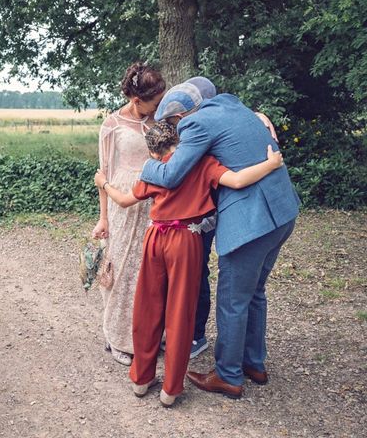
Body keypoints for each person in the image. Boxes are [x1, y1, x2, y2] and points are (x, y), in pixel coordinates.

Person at [94, 99, 284, 407]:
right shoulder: (204, 164)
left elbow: (125, 200)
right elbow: (237, 180)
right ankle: (171, 389)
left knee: (148, 306)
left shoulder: (151, 169)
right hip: (186, 239)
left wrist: (103, 182)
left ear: (152, 150)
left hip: (155, 237)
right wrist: (270, 164)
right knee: (180, 311)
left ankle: (141, 379)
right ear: (181, 142)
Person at [139, 82, 300, 399]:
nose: (177, 133)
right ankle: (253, 363)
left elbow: (172, 176)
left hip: (252, 223)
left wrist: (145, 168)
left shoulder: (196, 123)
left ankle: (228, 375)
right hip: (283, 211)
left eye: (173, 124)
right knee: (254, 293)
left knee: (232, 300)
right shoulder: (233, 105)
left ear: (181, 116)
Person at [91, 62, 166, 366]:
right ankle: (116, 338)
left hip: (151, 199)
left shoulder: (157, 120)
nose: (158, 106)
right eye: (154, 101)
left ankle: (144, 335)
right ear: (136, 99)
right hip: (121, 199)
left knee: (146, 272)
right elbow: (103, 172)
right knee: (119, 270)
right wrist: (104, 217)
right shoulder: (112, 125)